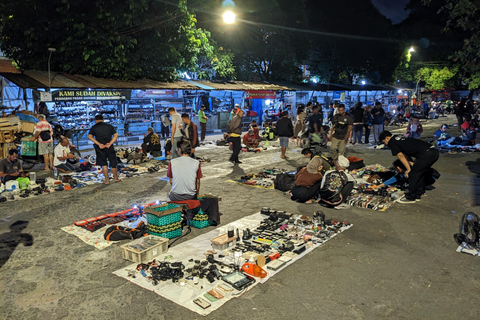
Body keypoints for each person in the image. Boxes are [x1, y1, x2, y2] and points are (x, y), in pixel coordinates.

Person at [167, 140, 220, 224]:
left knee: (169, 192)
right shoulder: (196, 163)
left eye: (177, 149)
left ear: (180, 150)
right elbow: (197, 183)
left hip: (176, 196)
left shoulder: (172, 162)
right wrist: (196, 196)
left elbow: (171, 181)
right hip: (190, 196)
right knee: (211, 200)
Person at [378, 131, 439, 204]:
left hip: (426, 154)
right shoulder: (398, 138)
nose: (385, 144)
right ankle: (418, 194)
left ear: (387, 138)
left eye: (384, 142)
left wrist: (408, 169)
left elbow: (400, 156)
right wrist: (411, 163)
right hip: (433, 152)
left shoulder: (392, 142)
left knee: (413, 174)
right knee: (419, 173)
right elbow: (406, 153)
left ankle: (411, 197)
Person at [88, 114, 120, 184]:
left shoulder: (94, 127)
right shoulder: (109, 126)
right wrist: (110, 143)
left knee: (104, 164)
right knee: (113, 163)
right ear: (103, 119)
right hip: (109, 147)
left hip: (100, 148)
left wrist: (99, 144)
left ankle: (107, 180)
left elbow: (90, 137)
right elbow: (116, 135)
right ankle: (116, 178)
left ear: (95, 120)